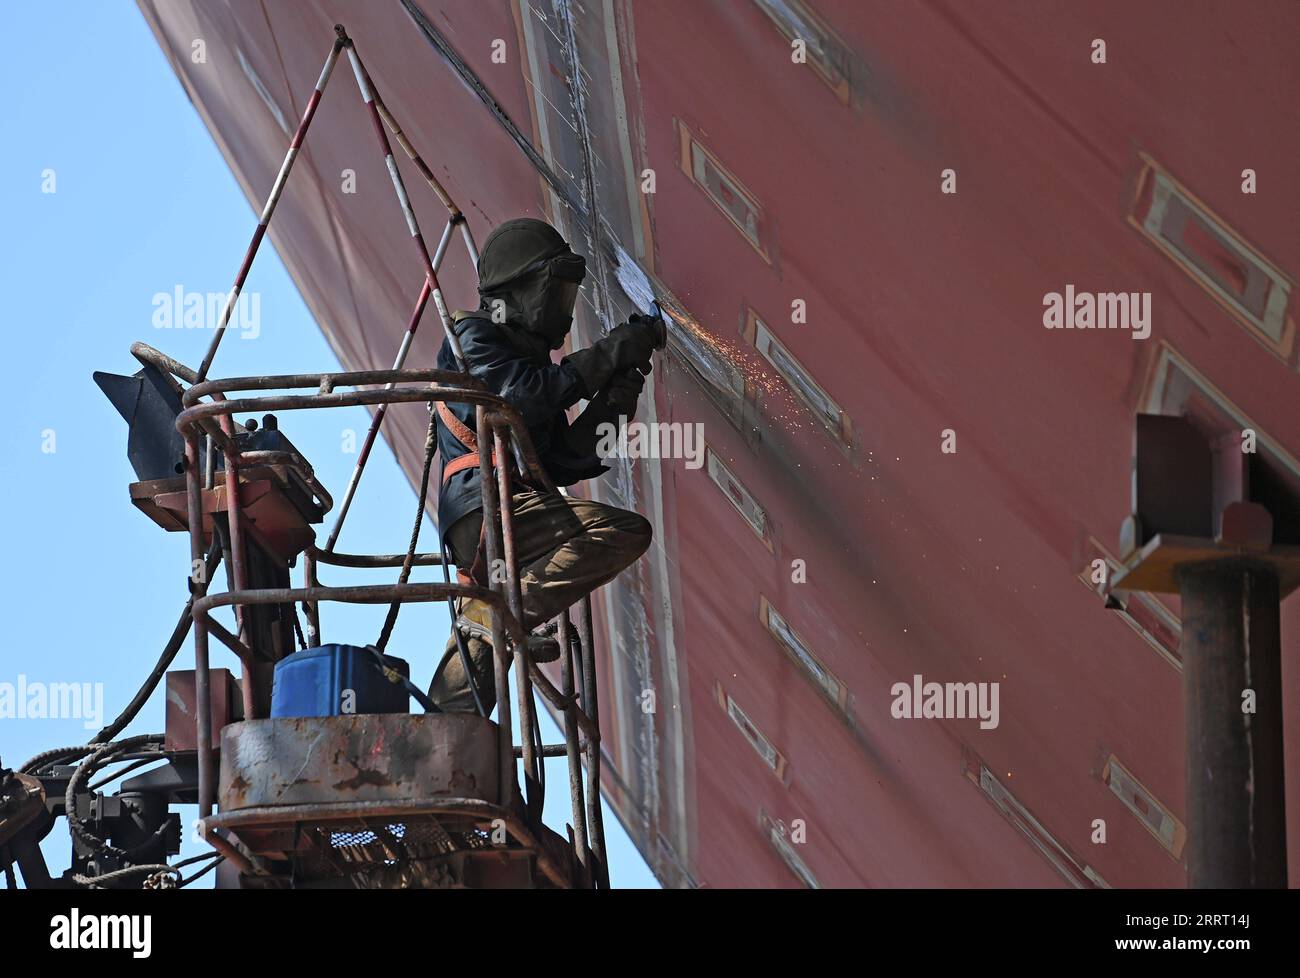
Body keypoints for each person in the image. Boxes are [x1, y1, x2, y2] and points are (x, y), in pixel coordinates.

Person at [428, 217, 660, 714]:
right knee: (620, 533)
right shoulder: (471, 337)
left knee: (481, 655)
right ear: (515, 295)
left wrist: (621, 388)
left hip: (507, 513)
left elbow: (565, 458)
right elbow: (524, 397)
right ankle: (502, 617)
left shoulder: (527, 365)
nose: (564, 310)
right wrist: (612, 350)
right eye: (554, 293)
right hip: (490, 508)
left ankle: (448, 731)